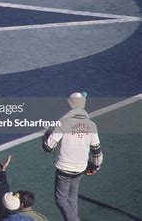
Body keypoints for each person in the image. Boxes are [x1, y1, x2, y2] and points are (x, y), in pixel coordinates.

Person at [42, 92, 103, 221]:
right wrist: (96, 166)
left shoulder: (63, 123)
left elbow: (48, 147)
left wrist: (46, 135)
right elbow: (96, 150)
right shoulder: (92, 125)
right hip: (81, 167)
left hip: (64, 167)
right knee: (72, 198)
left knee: (61, 200)